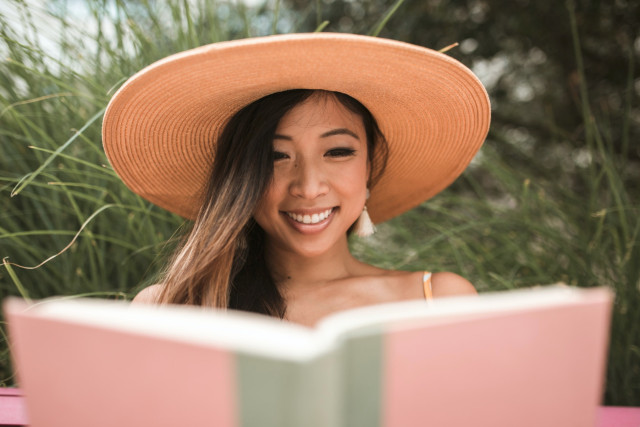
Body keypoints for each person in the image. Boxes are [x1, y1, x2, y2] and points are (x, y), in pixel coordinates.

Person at [102, 33, 491, 327]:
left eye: (338, 152)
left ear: (370, 165)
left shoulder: (438, 300)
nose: (308, 187)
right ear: (241, 180)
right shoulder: (171, 308)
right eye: (276, 156)